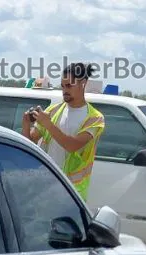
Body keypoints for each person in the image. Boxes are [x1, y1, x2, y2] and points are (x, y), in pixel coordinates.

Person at [22, 62, 106, 201]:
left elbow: (72, 145)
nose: (64, 90)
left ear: (83, 83)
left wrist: (48, 124)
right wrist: (26, 125)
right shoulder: (53, 110)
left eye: (69, 85)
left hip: (72, 193)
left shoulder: (95, 118)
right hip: (46, 187)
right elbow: (31, 141)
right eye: (62, 86)